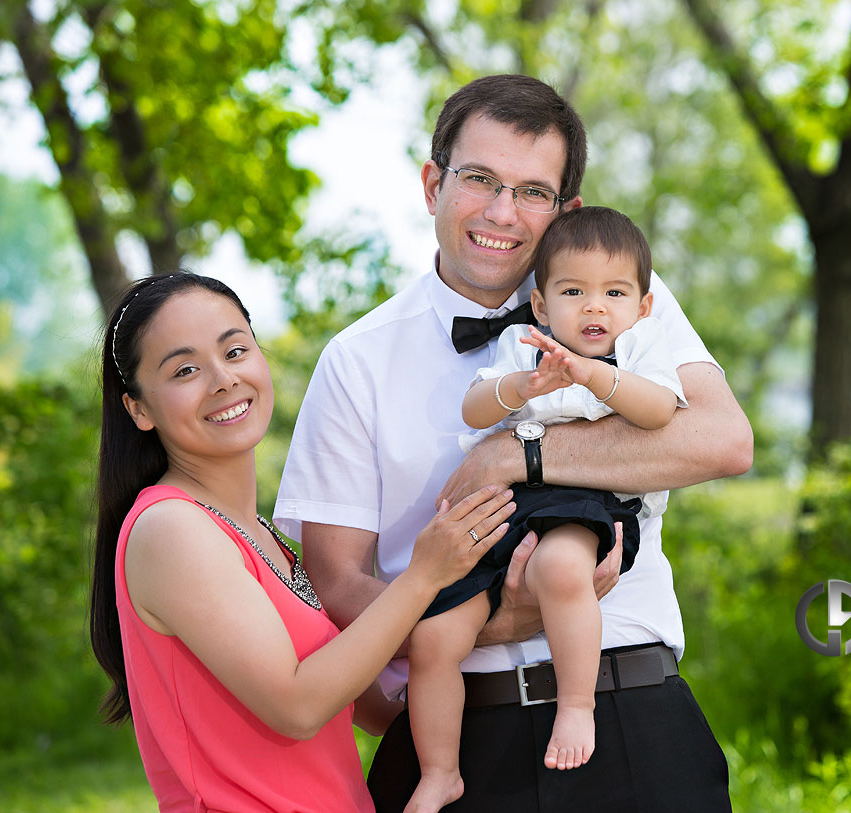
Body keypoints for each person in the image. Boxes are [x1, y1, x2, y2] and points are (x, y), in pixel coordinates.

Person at [275, 73, 752, 812]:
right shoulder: (357, 358)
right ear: (433, 183)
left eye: (533, 190)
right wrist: (498, 617)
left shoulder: (620, 301)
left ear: (569, 209)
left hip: (631, 713)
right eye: (478, 179)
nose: (502, 211)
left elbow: (724, 441)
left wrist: (520, 455)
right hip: (452, 734)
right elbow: (336, 583)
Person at [88, 272, 516, 812]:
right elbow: (297, 705)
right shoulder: (171, 528)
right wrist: (425, 575)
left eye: (236, 350)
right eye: (186, 370)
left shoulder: (261, 538)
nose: (223, 380)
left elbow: (372, 710)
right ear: (139, 409)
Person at [405, 206, 686, 811]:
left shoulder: (639, 349)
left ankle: (577, 706)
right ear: (540, 305)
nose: (593, 307)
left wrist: (593, 376)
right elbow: (475, 410)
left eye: (613, 293)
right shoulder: (522, 344)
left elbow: (661, 412)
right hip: (501, 505)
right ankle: (438, 770)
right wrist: (521, 387)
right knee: (432, 637)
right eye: (573, 291)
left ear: (641, 306)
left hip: (585, 497)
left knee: (561, 570)